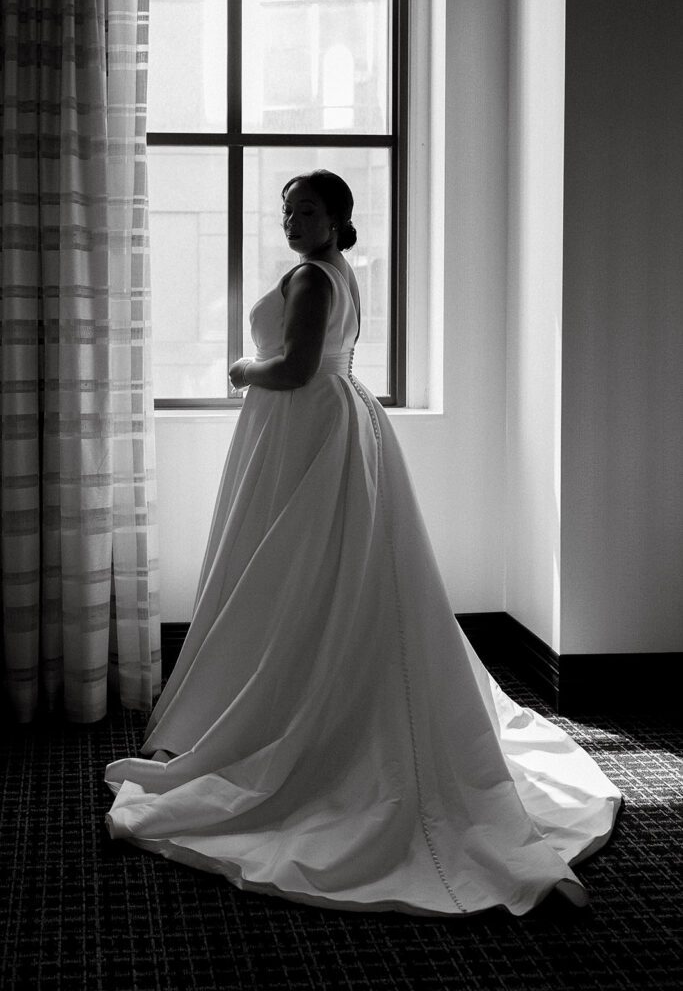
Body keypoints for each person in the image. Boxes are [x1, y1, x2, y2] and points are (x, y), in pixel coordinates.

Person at [104, 170, 621, 917]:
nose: (290, 220)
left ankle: (293, 709)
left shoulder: (313, 278)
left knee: (292, 565)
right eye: (285, 210)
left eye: (305, 209)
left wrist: (243, 369)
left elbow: (293, 367)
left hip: (306, 423)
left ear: (335, 217)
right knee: (322, 566)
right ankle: (300, 682)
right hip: (336, 422)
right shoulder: (339, 271)